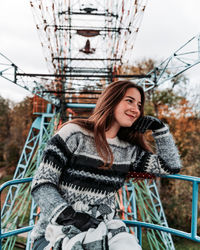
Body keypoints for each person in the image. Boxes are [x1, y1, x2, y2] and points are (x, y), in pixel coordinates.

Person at [31, 80, 181, 250]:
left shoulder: (128, 150)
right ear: (111, 101)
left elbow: (171, 166)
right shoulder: (74, 133)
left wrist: (159, 129)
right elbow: (42, 183)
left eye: (139, 105)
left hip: (101, 231)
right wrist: (70, 216)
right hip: (55, 231)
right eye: (129, 101)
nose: (136, 110)